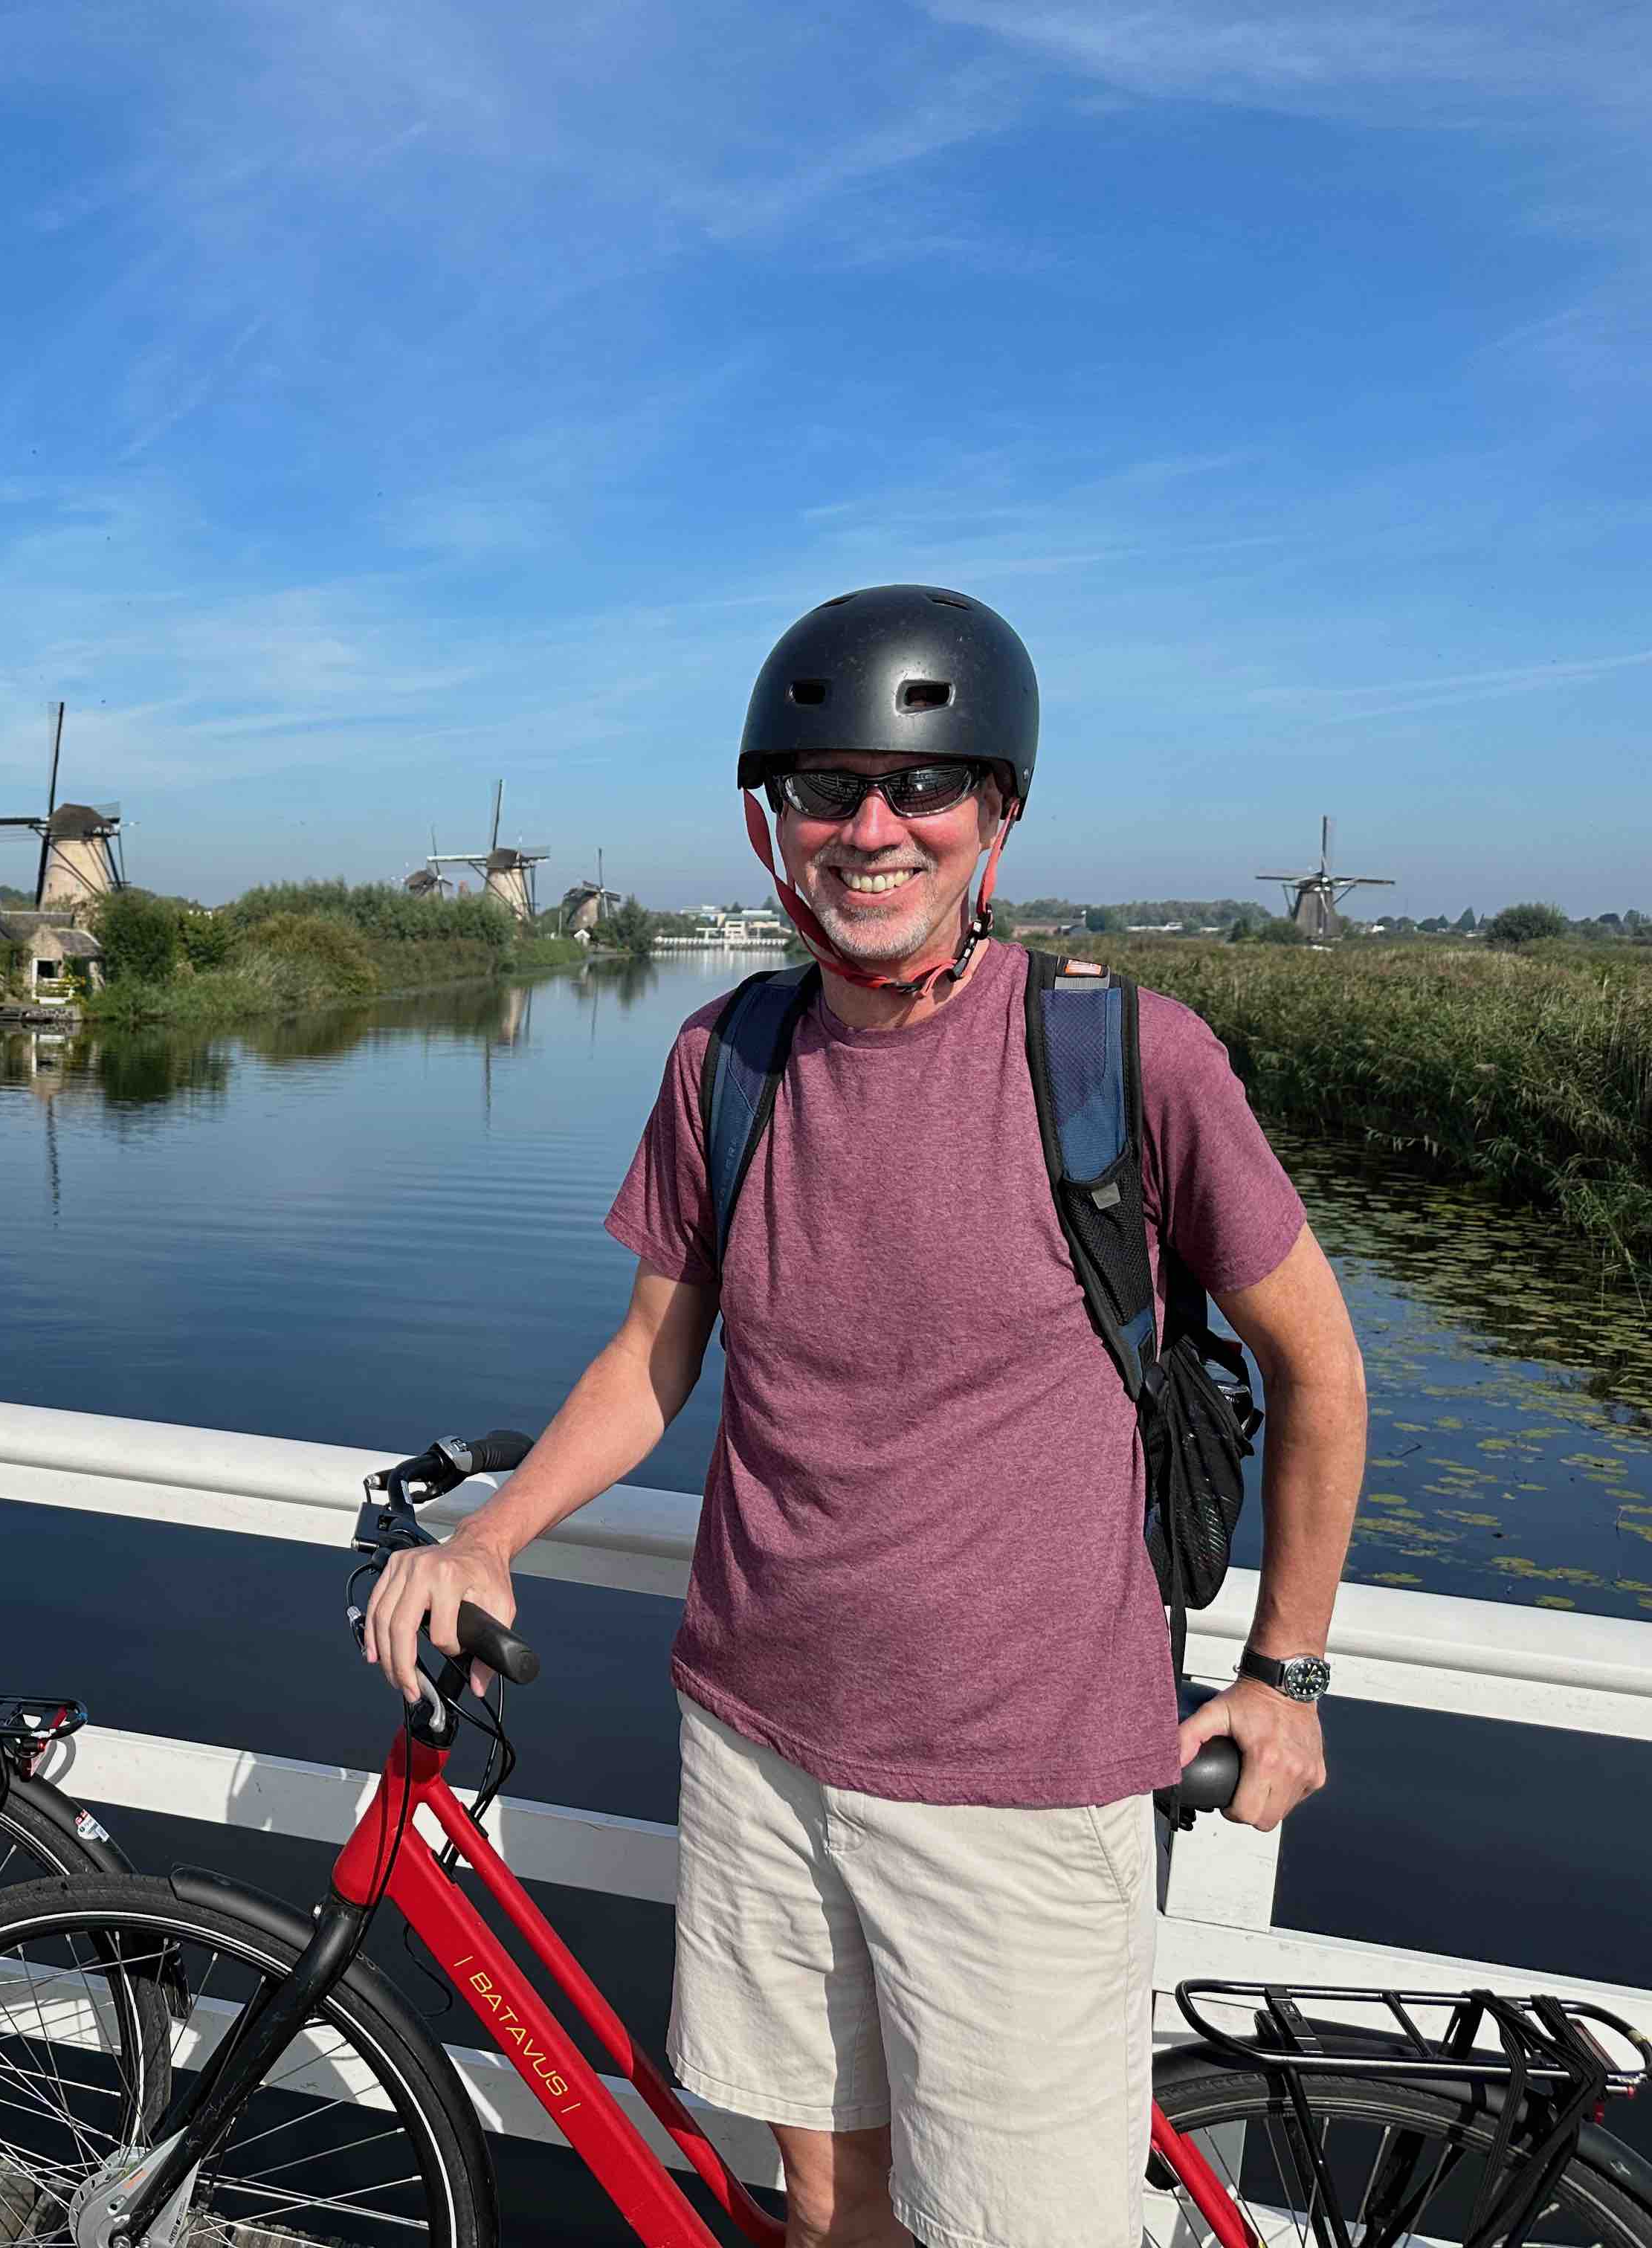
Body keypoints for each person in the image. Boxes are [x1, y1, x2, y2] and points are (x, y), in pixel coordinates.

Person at [367, 587, 1367, 2248]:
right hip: (758, 1738)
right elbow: (649, 1358)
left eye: (921, 787)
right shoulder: (725, 1059)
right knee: (828, 2199)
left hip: (1018, 1780)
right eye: (828, 789)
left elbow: (1320, 1369)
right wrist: (493, 1531)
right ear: (775, 824)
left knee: (1016, 2231)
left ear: (997, 816)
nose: (873, 827)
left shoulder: (1125, 1061)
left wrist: (1285, 1676)